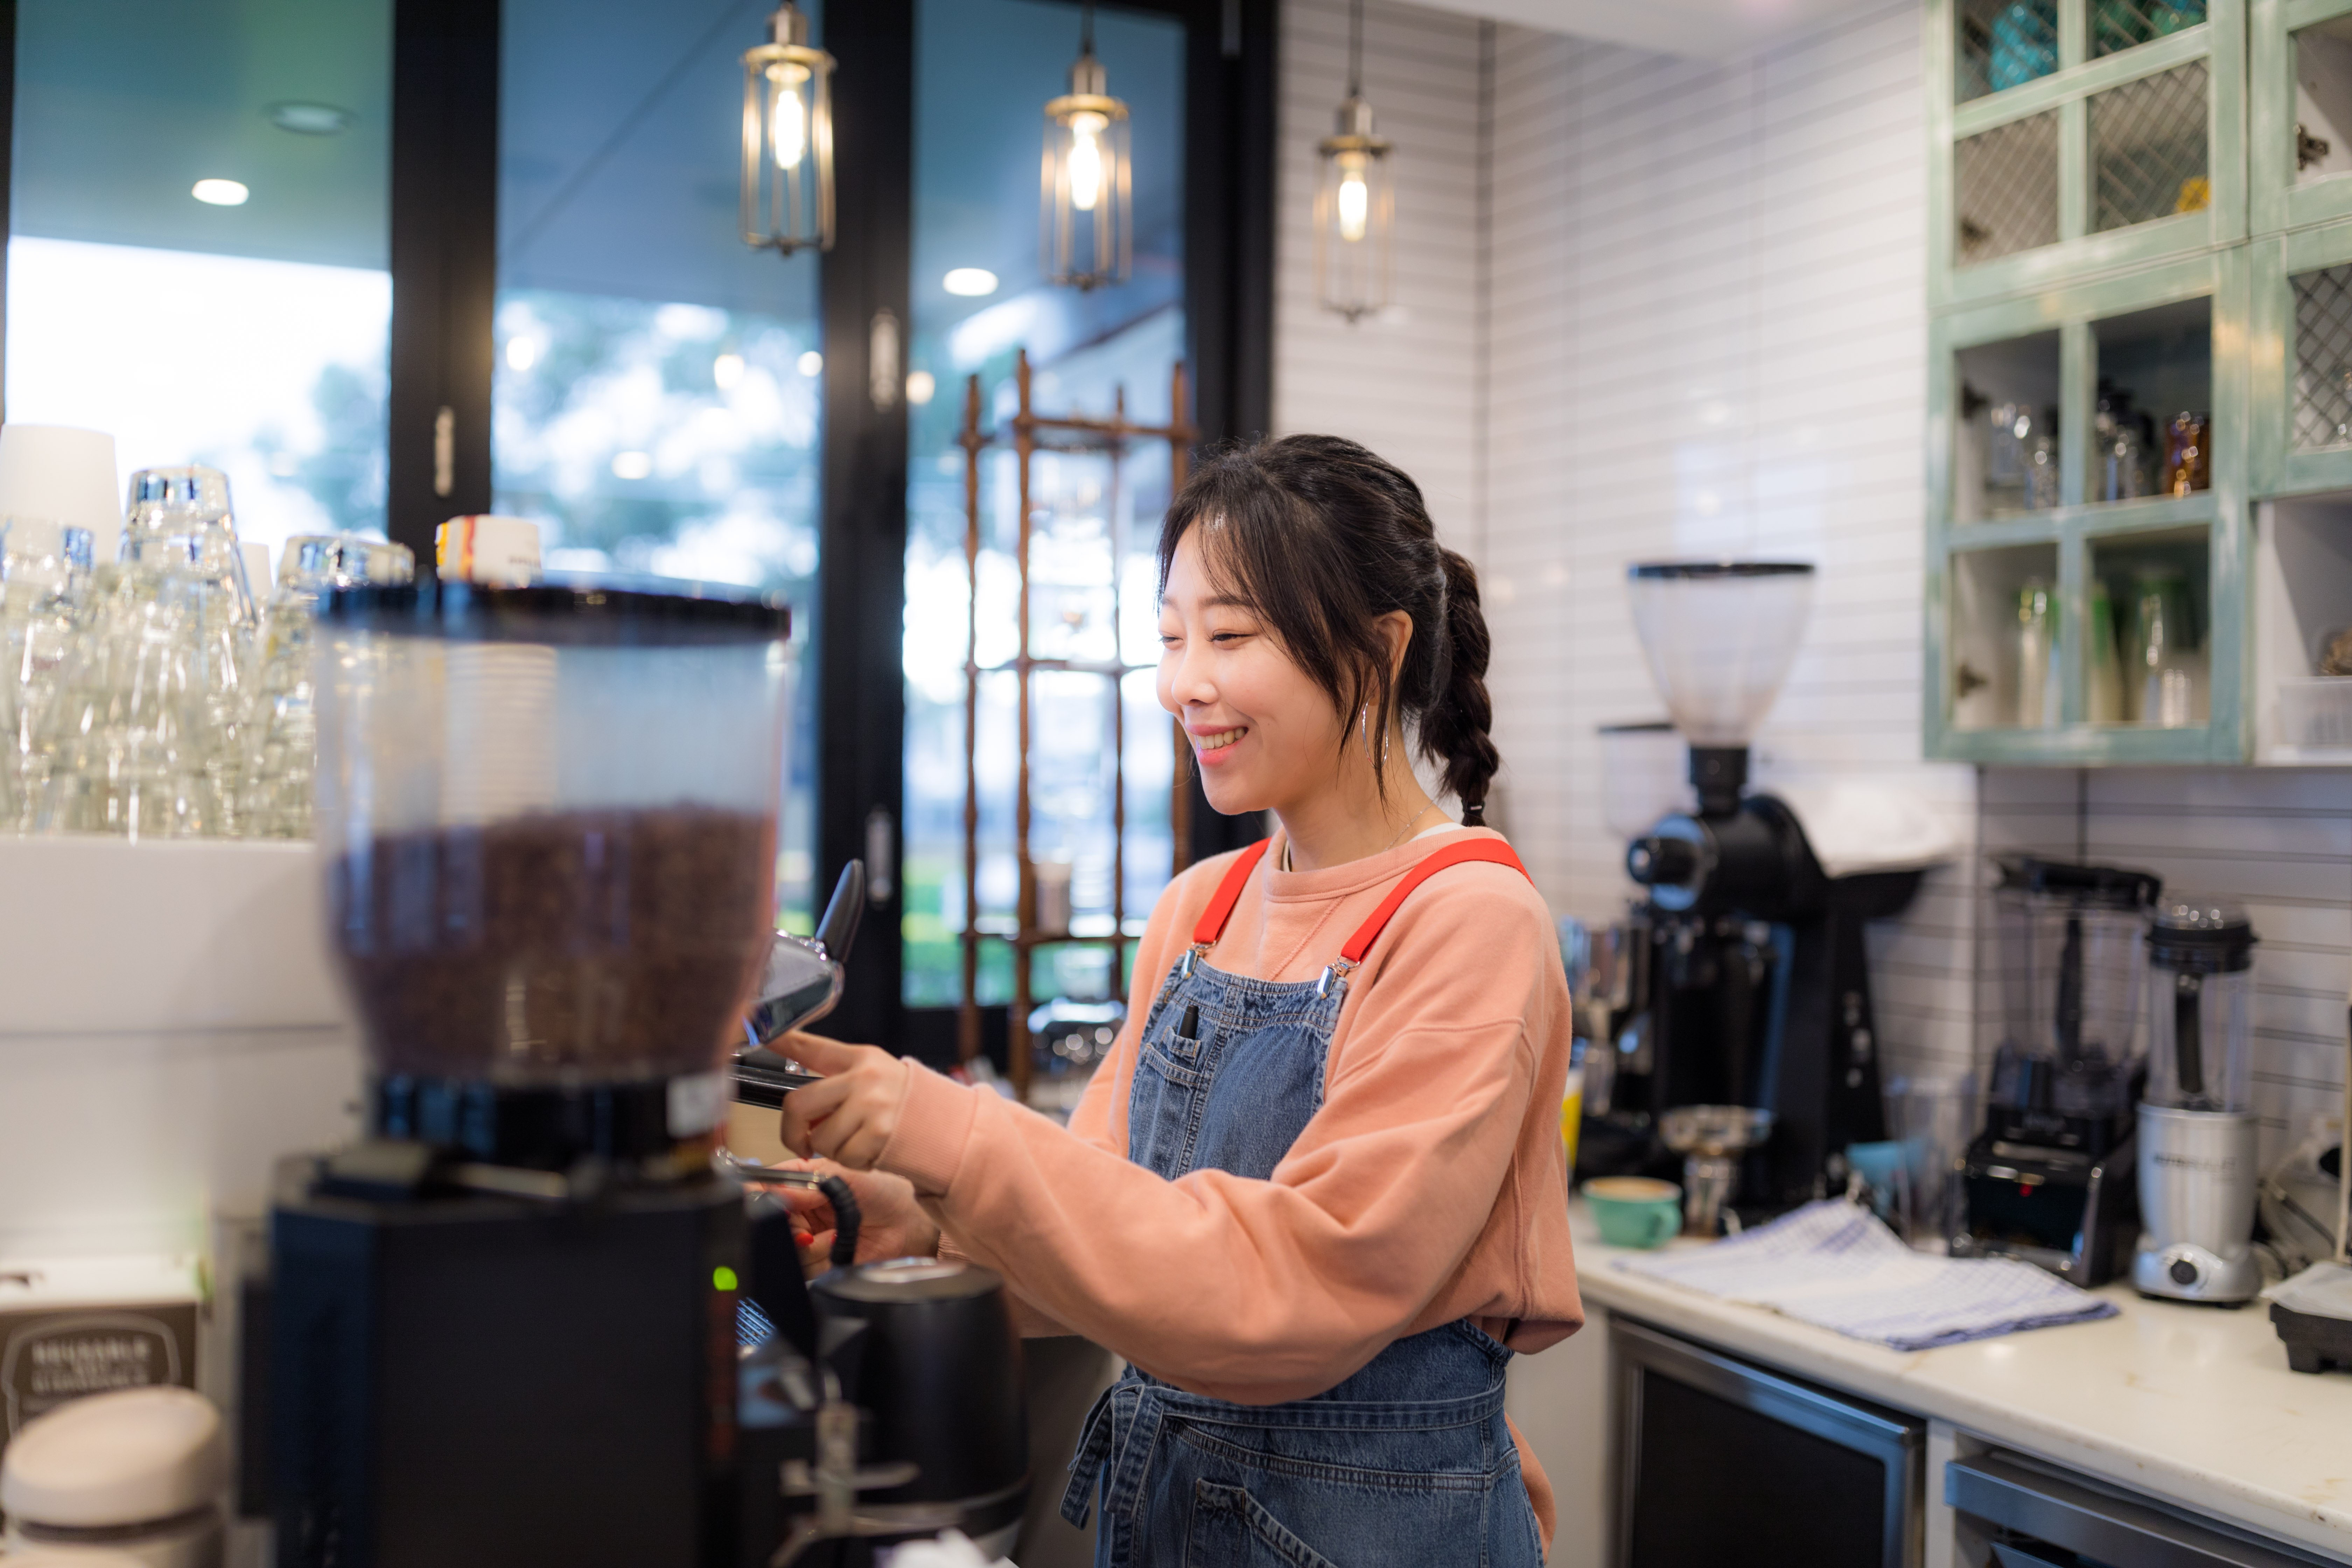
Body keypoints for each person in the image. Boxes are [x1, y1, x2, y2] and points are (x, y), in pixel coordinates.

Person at [774, 433, 1583, 1567]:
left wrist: (949, 1128)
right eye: (1169, 637)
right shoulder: (1202, 909)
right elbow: (1115, 1233)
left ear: (1382, 649)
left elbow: (1298, 1283)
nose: (1180, 684)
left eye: (1230, 635)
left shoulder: (1468, 921)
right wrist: (927, 1225)